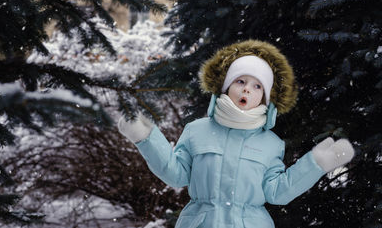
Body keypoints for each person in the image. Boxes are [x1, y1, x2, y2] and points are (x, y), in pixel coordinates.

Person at [118, 39, 355, 228]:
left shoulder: (271, 144)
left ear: (265, 97)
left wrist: (316, 164)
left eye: (257, 86)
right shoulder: (197, 131)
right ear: (226, 87)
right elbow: (176, 175)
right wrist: (146, 137)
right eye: (240, 81)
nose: (246, 89)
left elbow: (277, 192)